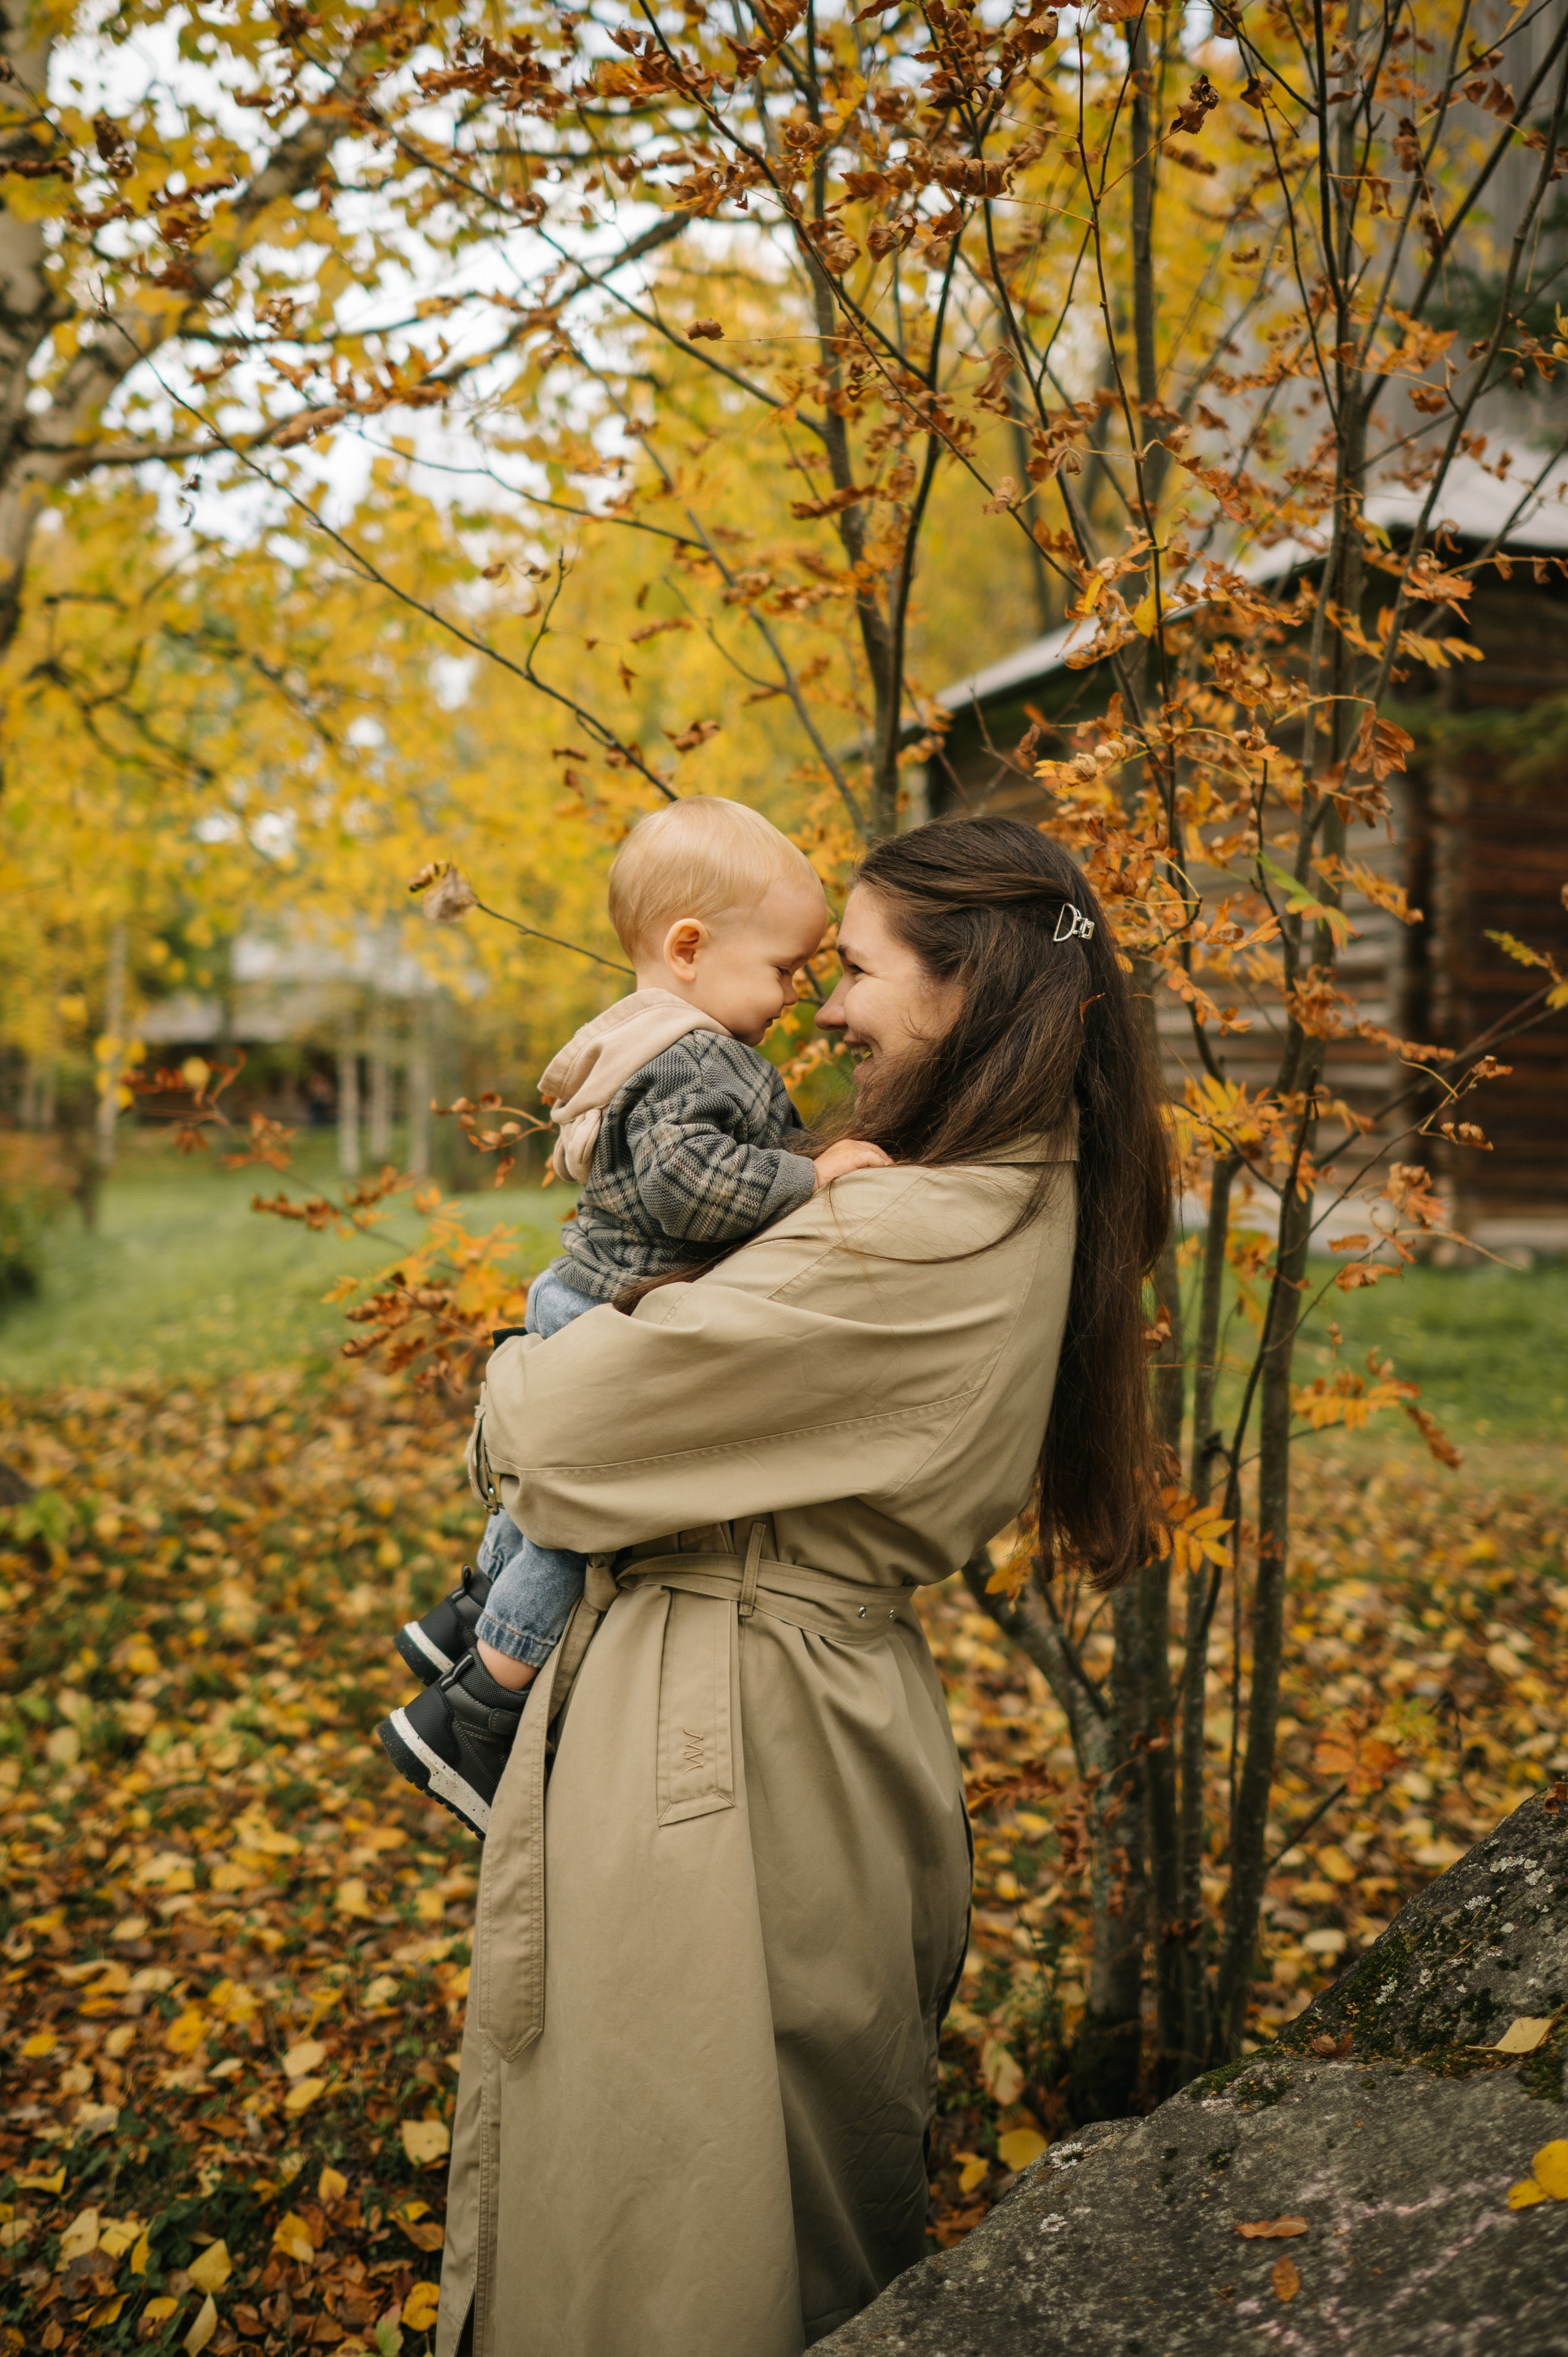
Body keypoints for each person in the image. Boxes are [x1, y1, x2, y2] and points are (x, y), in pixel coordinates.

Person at [434, 814, 1171, 2357]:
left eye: (858, 971)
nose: (826, 1010)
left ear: (967, 990)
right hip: (783, 1728)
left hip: (726, 1760)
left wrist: (521, 1356)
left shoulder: (910, 1226)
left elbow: (553, 1434)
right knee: (732, 2197)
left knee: (674, 2234)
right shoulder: (1006, 1193)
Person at [377, 796, 888, 1835]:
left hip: (587, 1290)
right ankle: (479, 1712)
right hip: (616, 1305)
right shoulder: (702, 1056)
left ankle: (468, 1621)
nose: (798, 996)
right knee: (587, 1515)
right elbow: (686, 1186)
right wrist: (814, 1175)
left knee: (554, 1492)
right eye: (785, 969)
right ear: (690, 949)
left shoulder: (649, 1039)